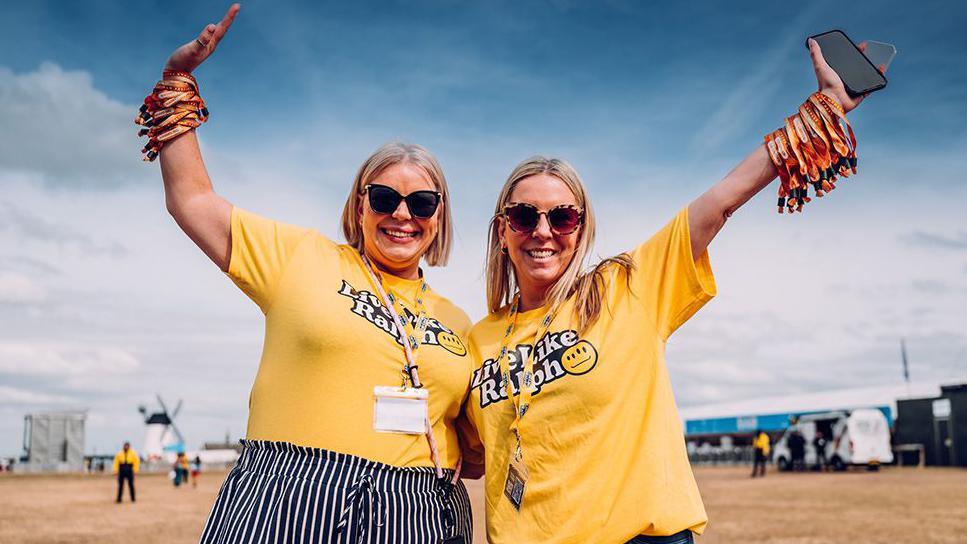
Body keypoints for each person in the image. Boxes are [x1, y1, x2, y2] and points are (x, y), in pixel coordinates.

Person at [461, 38, 887, 543]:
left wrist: (823, 110)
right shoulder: (480, 339)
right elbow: (467, 456)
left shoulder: (627, 285)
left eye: (563, 216)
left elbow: (722, 199)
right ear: (501, 228)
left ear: (582, 225)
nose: (543, 230)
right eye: (524, 215)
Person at [149, 5, 474, 542]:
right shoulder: (300, 257)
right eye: (385, 197)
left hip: (425, 512)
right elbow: (192, 199)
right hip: (293, 497)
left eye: (420, 202)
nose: (401, 214)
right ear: (359, 204)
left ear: (439, 216)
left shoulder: (460, 323)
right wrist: (176, 82)